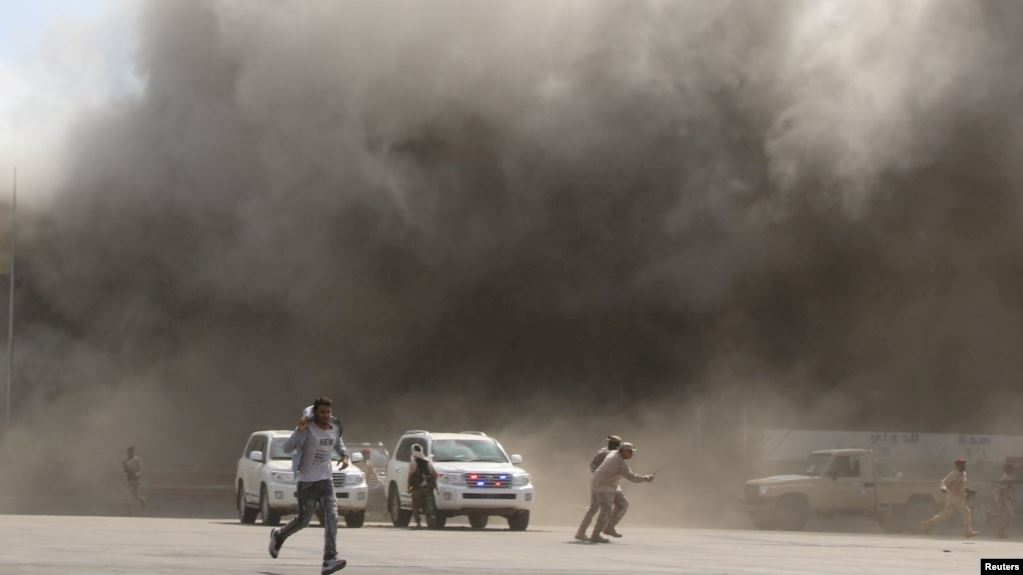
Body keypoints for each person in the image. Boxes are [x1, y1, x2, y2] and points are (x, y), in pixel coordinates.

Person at [268, 397, 350, 574]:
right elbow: (287, 448)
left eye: (328, 412)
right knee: (303, 521)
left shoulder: (335, 427)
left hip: (326, 480)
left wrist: (344, 456)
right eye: (322, 412)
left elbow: (338, 442)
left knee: (332, 516)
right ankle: (279, 535)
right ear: (315, 413)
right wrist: (299, 430)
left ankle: (329, 560)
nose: (326, 415)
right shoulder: (307, 428)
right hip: (307, 482)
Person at [588, 442, 655, 543]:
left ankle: (609, 527)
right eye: (629, 451)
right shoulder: (619, 463)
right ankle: (595, 535)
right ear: (622, 450)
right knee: (606, 510)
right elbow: (632, 477)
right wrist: (646, 478)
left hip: (608, 484)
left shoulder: (613, 453)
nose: (631, 454)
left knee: (623, 504)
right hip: (603, 486)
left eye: (632, 452)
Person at [575, 435, 624, 541]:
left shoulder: (605, 451)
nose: (613, 445)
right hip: (604, 485)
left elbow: (593, 465)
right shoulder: (607, 453)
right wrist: (599, 476)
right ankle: (602, 530)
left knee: (594, 509)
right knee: (608, 507)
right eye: (613, 443)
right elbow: (593, 465)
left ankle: (582, 532)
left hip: (604, 484)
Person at [919, 458, 979, 539]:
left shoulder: (963, 474)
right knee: (966, 511)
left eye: (964, 464)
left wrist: (969, 491)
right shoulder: (954, 473)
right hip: (955, 497)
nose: (964, 466)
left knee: (944, 515)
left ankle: (927, 523)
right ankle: (968, 532)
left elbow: (961, 486)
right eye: (962, 464)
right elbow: (944, 481)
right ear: (957, 466)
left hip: (954, 497)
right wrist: (943, 488)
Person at [407, 444, 438, 528]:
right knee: (429, 506)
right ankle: (431, 522)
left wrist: (408, 487)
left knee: (415, 506)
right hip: (427, 488)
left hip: (417, 488)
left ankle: (418, 523)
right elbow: (435, 474)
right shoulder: (428, 462)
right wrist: (432, 484)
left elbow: (410, 476)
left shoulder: (413, 463)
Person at [122, 446, 146, 512]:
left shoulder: (137, 459)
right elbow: (124, 470)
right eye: (129, 451)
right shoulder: (125, 460)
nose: (130, 453)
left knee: (136, 495)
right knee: (127, 494)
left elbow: (140, 469)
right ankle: (129, 511)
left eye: (131, 451)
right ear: (127, 452)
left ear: (133, 452)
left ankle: (142, 500)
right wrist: (126, 471)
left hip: (136, 479)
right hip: (129, 479)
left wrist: (137, 474)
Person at [996, 462, 1015, 538]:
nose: (1012, 470)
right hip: (1004, 499)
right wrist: (1002, 500)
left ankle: (1001, 532)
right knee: (1009, 515)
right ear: (1007, 469)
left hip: (1007, 499)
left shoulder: (1009, 477)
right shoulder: (1005, 478)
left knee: (1005, 516)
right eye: (1011, 469)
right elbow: (1001, 489)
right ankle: (1001, 532)